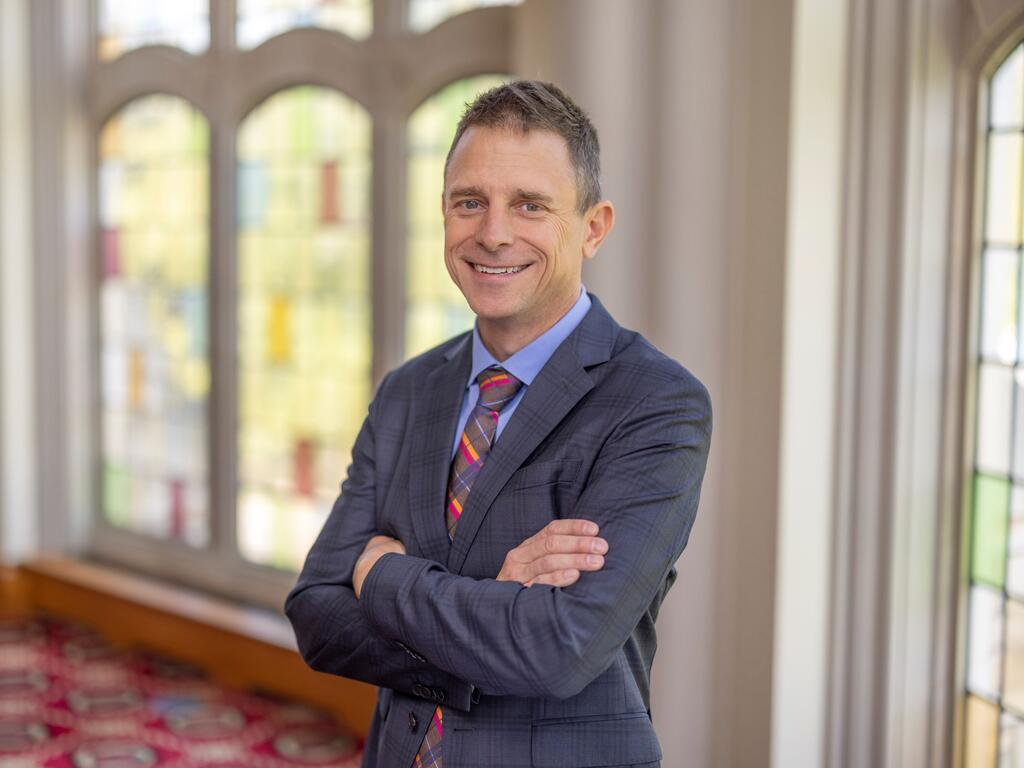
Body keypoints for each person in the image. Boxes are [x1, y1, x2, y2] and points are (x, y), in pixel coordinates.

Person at [285, 80, 712, 768]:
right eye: (469, 202)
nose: (493, 232)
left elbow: (557, 650)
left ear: (594, 227)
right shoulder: (407, 391)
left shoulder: (657, 403)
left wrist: (382, 573)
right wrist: (489, 611)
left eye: (530, 205)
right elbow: (317, 615)